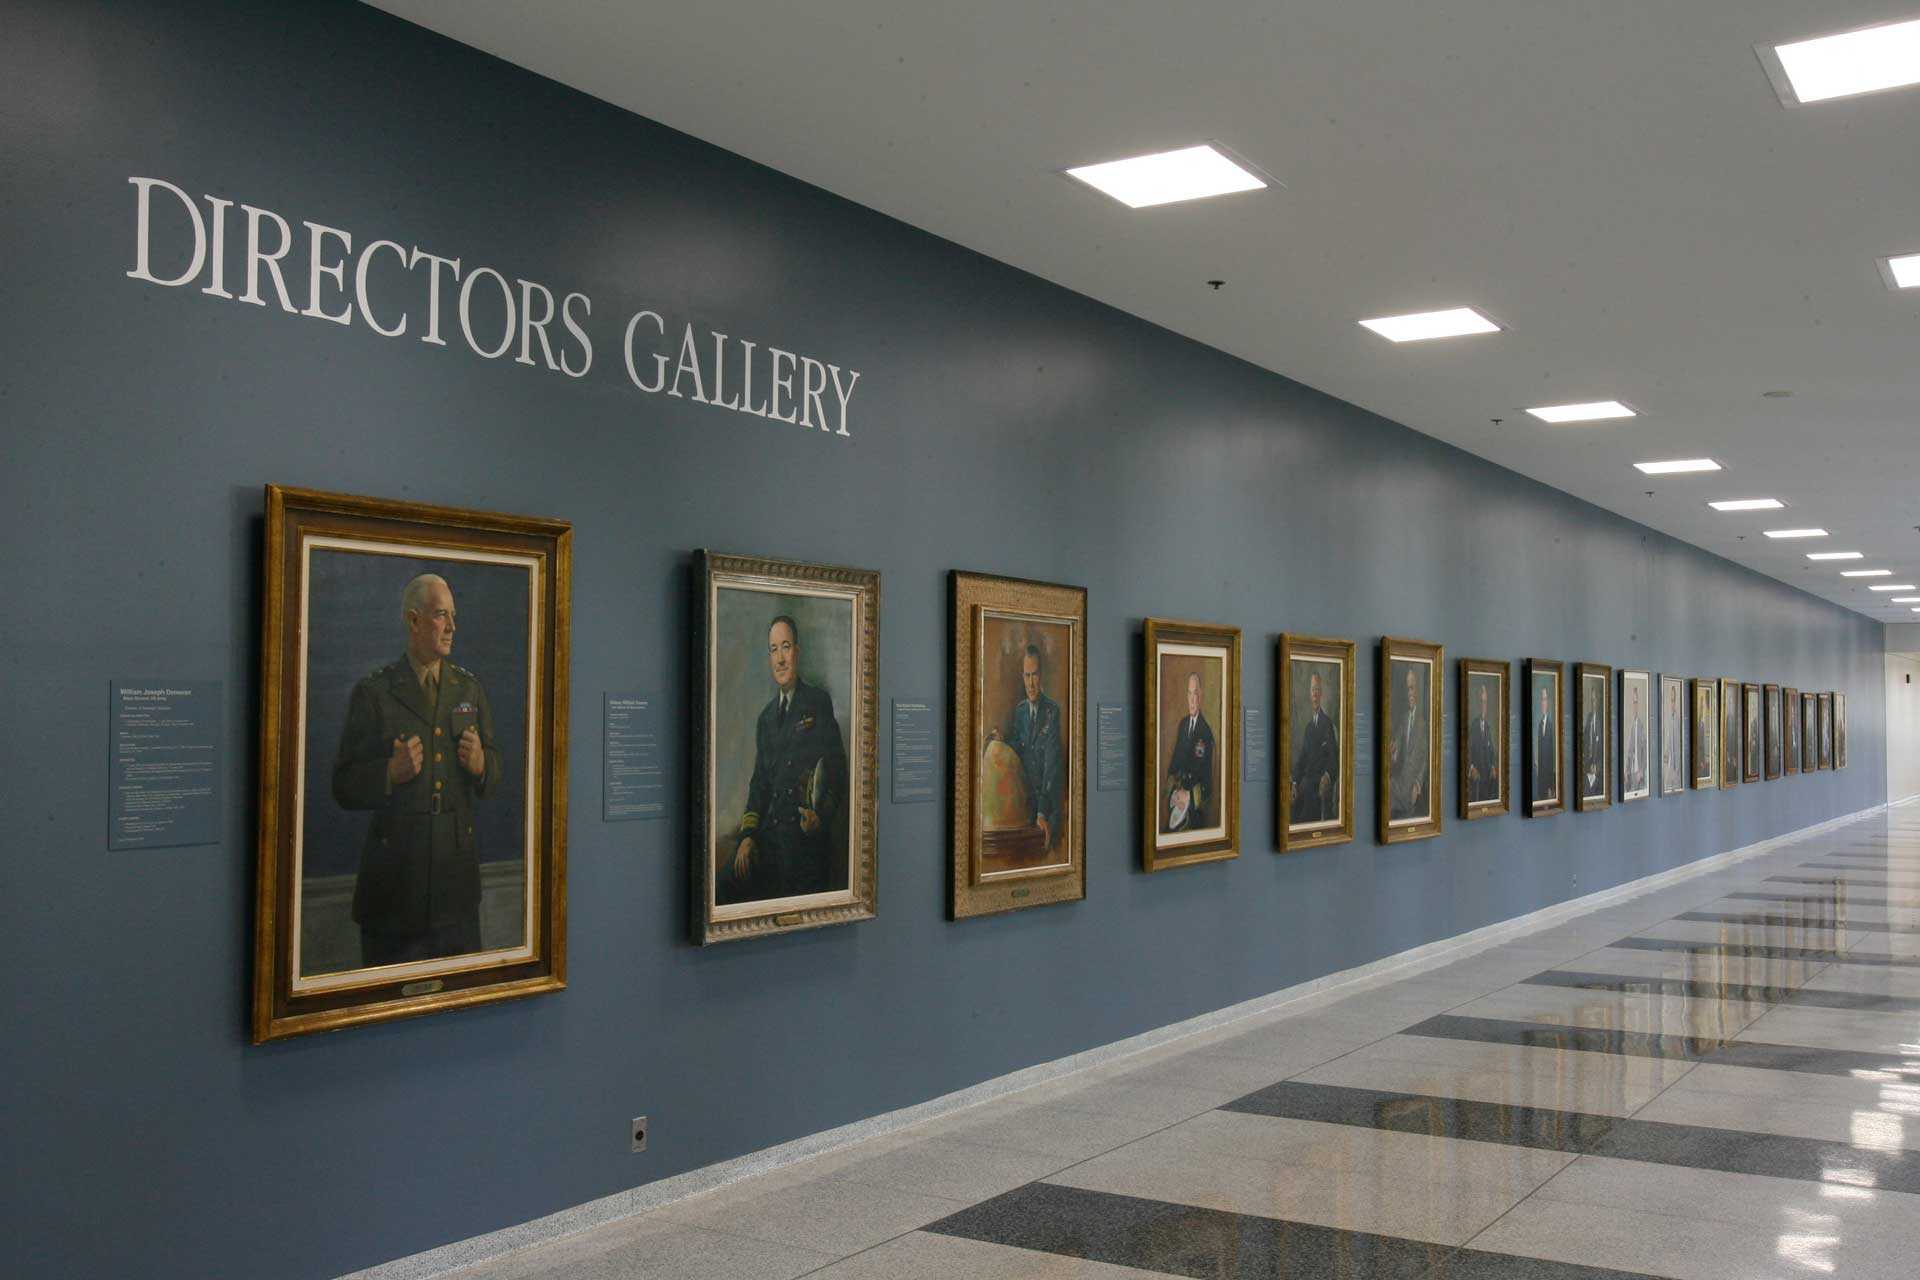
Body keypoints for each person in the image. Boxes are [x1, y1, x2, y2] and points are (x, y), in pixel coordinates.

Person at [332, 573, 501, 967]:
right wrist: (388, 773)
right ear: (413, 621)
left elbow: (495, 774)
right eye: (442, 615)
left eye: (453, 616)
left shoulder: (468, 690)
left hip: (456, 886)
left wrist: (481, 765)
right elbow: (342, 786)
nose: (452, 627)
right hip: (396, 887)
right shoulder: (374, 692)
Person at [725, 615, 847, 903]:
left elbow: (838, 771)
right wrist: (748, 835)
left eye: (786, 646)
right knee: (725, 887)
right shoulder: (765, 718)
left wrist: (822, 817)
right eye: (774, 649)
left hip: (804, 843)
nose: (780, 658)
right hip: (769, 840)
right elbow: (759, 784)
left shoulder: (817, 702)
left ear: (797, 652)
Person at [987, 643, 1062, 847]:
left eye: (1034, 675)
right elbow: (1020, 748)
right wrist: (1003, 742)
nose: (1030, 683)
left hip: (1046, 811)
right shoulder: (1020, 711)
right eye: (1027, 676)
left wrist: (1042, 812)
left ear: (1042, 676)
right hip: (1025, 807)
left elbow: (1052, 768)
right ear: (1022, 677)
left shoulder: (1052, 712)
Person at [1164, 671, 1215, 831]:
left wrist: (1187, 794)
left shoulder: (1205, 732)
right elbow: (1174, 765)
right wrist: (1174, 792)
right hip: (1178, 799)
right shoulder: (1183, 725)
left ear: (1200, 696)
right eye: (1189, 694)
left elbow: (1202, 776)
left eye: (1195, 694)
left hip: (1194, 809)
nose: (1192, 700)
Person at [1290, 669, 1339, 823]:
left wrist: (1327, 776)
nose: (1315, 694)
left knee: (1304, 814)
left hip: (1318, 785)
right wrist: (1294, 782)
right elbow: (1302, 759)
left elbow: (1333, 760)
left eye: (1318, 690)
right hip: (1305, 783)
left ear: (1321, 693)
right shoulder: (1309, 728)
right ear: (1309, 694)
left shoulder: (1327, 724)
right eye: (1313, 690)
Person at [1388, 665, 1428, 820]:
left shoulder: (1424, 721)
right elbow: (1396, 745)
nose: (1410, 693)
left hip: (1413, 785)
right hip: (1400, 780)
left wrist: (1418, 784)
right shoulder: (1404, 719)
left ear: (1418, 689)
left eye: (1412, 688)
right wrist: (1394, 750)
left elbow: (1427, 759)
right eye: (1408, 689)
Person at [1466, 679, 1498, 804]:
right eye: (1481, 702)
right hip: (1476, 781)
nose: (1483, 706)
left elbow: (1491, 752)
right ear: (1477, 703)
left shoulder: (1488, 727)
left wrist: (1493, 766)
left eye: (1485, 702)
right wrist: (1471, 768)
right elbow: (1467, 751)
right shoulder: (1472, 726)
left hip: (1487, 779)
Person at [1533, 683, 1558, 805]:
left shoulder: (1552, 725)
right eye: (1541, 699)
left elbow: (1553, 758)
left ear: (1548, 702)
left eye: (1545, 699)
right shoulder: (1539, 724)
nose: (1543, 703)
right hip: (1541, 779)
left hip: (1549, 781)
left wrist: (1551, 786)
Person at [1581, 686, 1604, 797]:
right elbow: (1585, 737)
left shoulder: (1601, 719)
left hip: (1596, 767)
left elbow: (1603, 748)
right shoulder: (1589, 717)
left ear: (1598, 701)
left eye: (1594, 700)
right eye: (1591, 700)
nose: (1593, 703)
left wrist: (1597, 766)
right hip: (1587, 762)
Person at [1624, 685, 1646, 795]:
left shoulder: (1642, 725)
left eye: (1636, 702)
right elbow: (1629, 751)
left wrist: (1641, 770)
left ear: (1639, 705)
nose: (1635, 706)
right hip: (1632, 772)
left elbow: (1645, 751)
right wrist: (1626, 770)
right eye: (1633, 702)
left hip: (1640, 773)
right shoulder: (1632, 726)